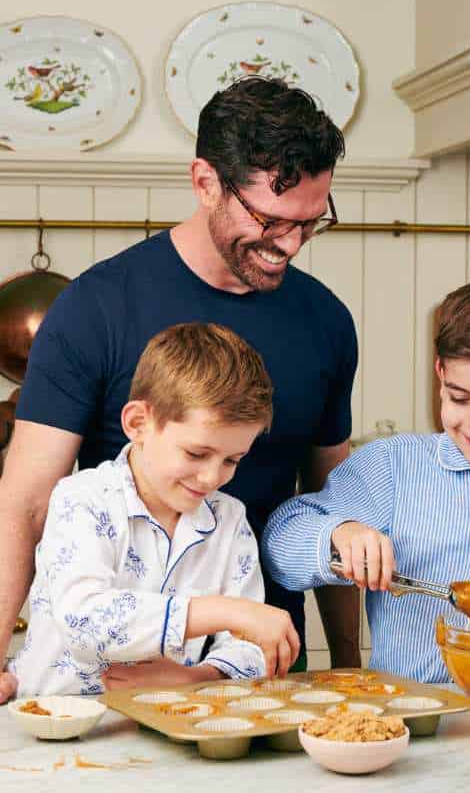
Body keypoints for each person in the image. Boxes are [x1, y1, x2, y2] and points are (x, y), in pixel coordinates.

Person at [0, 77, 360, 703]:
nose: (291, 245)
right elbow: (26, 502)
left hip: (248, 675)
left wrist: (351, 670)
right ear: (205, 182)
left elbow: (332, 507)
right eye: (271, 220)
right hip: (101, 686)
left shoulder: (327, 322)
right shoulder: (96, 307)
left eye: (310, 223)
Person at [261, 274, 470, 683]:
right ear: (440, 376)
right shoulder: (393, 466)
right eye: (459, 398)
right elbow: (279, 544)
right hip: (405, 720)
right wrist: (337, 534)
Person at [6, 323, 300, 696]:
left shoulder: (229, 519)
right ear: (138, 424)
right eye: (196, 453)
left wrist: (198, 678)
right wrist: (227, 611)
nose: (212, 477)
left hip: (167, 725)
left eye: (232, 460)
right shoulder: (82, 499)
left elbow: (252, 643)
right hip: (53, 727)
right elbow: (84, 621)